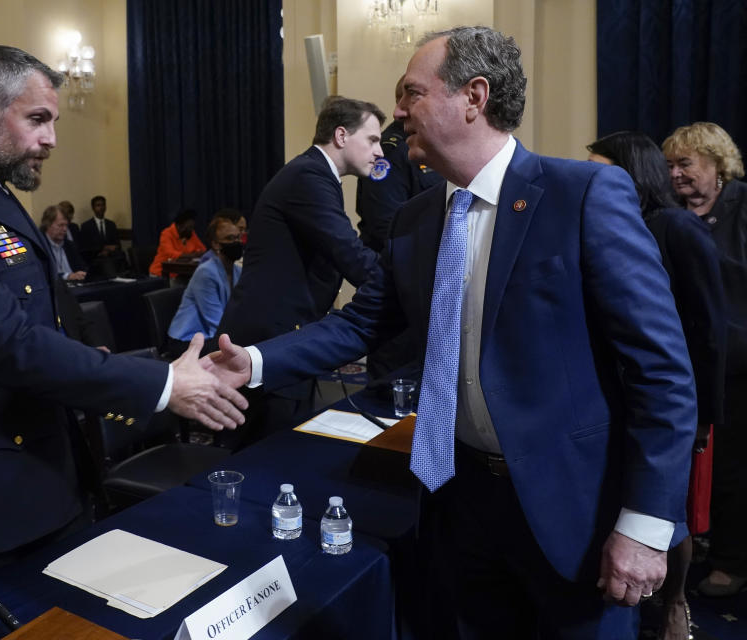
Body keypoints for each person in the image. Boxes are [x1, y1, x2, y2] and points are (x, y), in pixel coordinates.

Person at [205, 27, 696, 638]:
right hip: (455, 502)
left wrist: (647, 523)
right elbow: (363, 321)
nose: (398, 114)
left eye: (411, 93)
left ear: (474, 96)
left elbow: (662, 373)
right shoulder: (416, 218)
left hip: (570, 512)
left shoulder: (583, 195)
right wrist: (249, 362)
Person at [0, 45, 246, 593]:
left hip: (43, 470)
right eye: (37, 119)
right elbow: (10, 345)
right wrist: (165, 383)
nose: (51, 139)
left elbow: (41, 320)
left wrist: (96, 360)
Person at [588, 130, 726, 639]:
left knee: (674, 511)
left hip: (677, 403)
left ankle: (675, 605)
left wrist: (703, 417)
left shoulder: (677, 227)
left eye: (604, 168)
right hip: (619, 395)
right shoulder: (614, 223)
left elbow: (709, 330)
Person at [217, 95, 384, 448]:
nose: (379, 151)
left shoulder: (316, 174)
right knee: (260, 456)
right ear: (341, 136)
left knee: (277, 452)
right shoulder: (309, 176)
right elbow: (350, 254)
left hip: (284, 333)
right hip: (268, 338)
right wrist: (407, 288)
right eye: (372, 139)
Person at [663, 122, 747, 598]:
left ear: (717, 164)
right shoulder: (670, 215)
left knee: (735, 466)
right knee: (694, 467)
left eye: (686, 164)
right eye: (670, 166)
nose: (676, 175)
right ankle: (701, 543)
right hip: (688, 365)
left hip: (739, 367)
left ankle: (733, 559)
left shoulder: (743, 206)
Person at [355, 75, 445, 384]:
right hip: (398, 284)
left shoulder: (432, 151)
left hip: (429, 286)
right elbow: (384, 223)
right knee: (394, 386)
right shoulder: (392, 151)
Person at [167, 215, 243, 357]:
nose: (237, 242)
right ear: (215, 244)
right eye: (230, 239)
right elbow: (217, 323)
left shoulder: (238, 271)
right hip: (188, 341)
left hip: (215, 336)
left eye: (238, 238)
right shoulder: (206, 272)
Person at [148, 208, 206, 277]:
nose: (192, 230)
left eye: (192, 227)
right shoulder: (166, 234)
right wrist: (192, 255)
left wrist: (195, 253)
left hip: (180, 274)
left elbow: (203, 249)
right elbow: (171, 254)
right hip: (160, 274)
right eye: (189, 227)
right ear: (179, 226)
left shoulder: (190, 233)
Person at [78, 195, 126, 275]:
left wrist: (108, 251)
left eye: (103, 205)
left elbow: (118, 244)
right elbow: (85, 248)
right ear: (93, 208)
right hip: (95, 259)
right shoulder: (86, 226)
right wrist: (102, 249)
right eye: (98, 205)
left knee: (121, 256)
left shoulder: (111, 224)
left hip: (111, 258)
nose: (101, 207)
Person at [40, 204, 87, 281]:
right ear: (48, 224)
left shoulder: (70, 245)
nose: (65, 229)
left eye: (66, 225)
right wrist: (67, 276)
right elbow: (44, 275)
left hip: (75, 288)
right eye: (61, 225)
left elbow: (82, 268)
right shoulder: (40, 246)